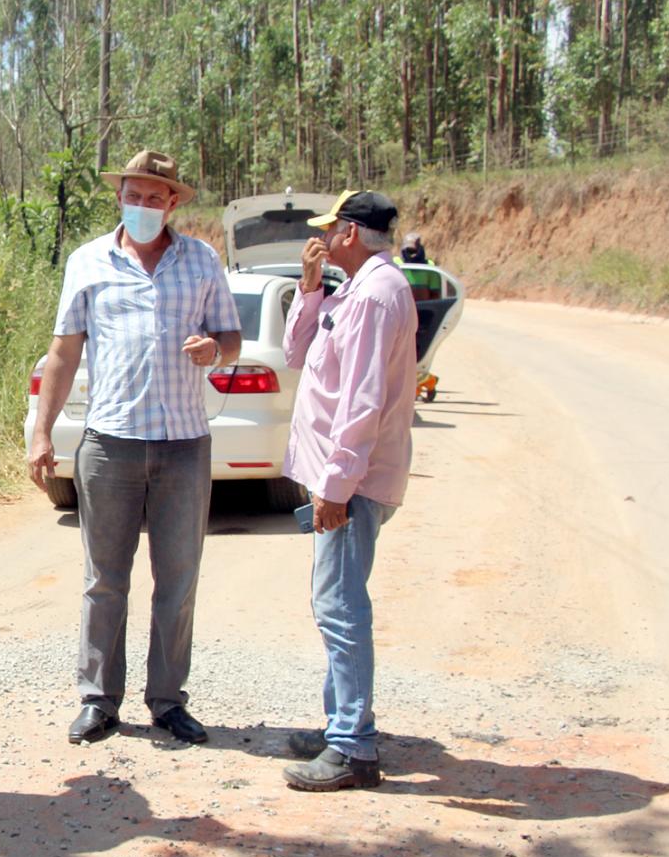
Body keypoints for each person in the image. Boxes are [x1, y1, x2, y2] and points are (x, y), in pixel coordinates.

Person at [26, 150, 242, 747]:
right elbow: (65, 352)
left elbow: (231, 337)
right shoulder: (88, 262)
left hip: (182, 446)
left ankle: (168, 700)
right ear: (118, 195)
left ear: (174, 203)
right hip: (110, 443)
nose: (142, 206)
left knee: (177, 580)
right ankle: (99, 699)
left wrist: (215, 352)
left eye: (155, 197)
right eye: (133, 194)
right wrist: (42, 431)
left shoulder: (201, 261)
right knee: (104, 580)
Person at [279, 190, 417, 792]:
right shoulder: (355, 290)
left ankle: (352, 748)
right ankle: (343, 725)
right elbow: (297, 353)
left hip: (352, 483)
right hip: (342, 478)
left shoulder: (377, 295)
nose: (324, 238)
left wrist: (336, 487)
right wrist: (310, 287)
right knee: (334, 601)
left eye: (330, 230)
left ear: (352, 233)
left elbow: (363, 402)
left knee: (339, 606)